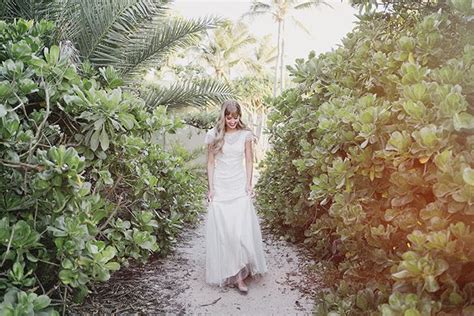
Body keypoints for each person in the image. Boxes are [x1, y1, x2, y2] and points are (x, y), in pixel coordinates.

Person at [204, 100, 268, 294]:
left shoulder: (245, 135)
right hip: (222, 188)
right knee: (227, 233)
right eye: (229, 117)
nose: (232, 120)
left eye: (236, 117)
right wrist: (211, 188)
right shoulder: (213, 135)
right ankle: (235, 275)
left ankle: (241, 272)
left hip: (238, 186)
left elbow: (249, 160)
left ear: (240, 116)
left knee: (240, 232)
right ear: (223, 116)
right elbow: (210, 163)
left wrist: (249, 184)